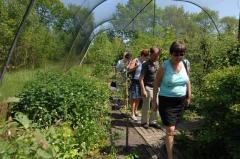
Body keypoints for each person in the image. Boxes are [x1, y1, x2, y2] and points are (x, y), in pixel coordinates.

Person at [152, 41, 191, 159]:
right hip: (166, 101)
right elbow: (156, 83)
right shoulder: (165, 66)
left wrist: (189, 96)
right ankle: (170, 156)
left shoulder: (185, 63)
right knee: (170, 129)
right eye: (176, 54)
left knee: (173, 129)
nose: (178, 57)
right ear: (171, 53)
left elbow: (188, 80)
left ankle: (167, 143)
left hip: (180, 101)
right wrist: (154, 101)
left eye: (181, 54)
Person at [139, 47, 161, 129]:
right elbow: (141, 78)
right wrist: (143, 89)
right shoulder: (145, 64)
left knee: (156, 105)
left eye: (158, 55)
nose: (156, 57)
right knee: (146, 106)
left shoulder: (158, 63)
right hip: (147, 87)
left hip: (157, 88)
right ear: (150, 54)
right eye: (155, 55)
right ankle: (144, 122)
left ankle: (153, 121)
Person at [128, 49, 149, 121]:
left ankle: (136, 111)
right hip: (135, 81)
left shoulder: (145, 62)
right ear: (142, 55)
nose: (146, 59)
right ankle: (132, 114)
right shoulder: (136, 60)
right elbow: (129, 69)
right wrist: (136, 67)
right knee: (134, 98)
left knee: (139, 97)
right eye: (146, 57)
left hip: (142, 82)